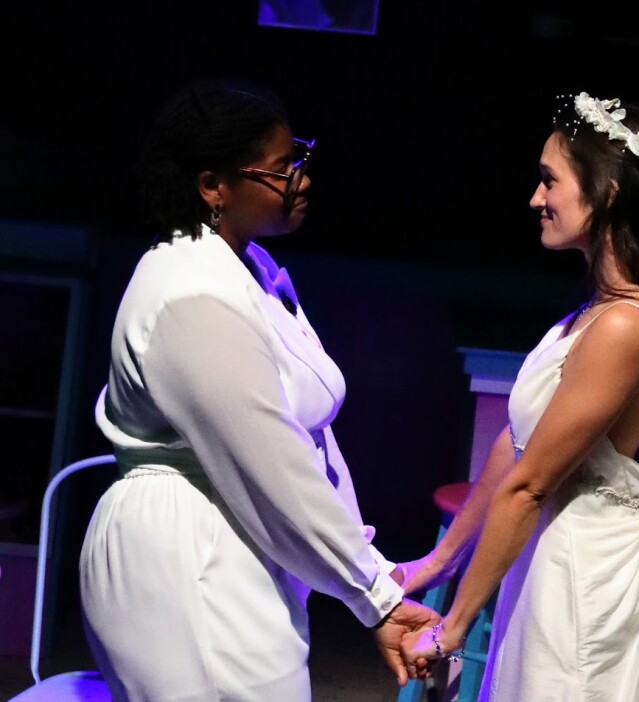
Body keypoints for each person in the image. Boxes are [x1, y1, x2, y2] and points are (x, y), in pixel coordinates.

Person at [399, 92, 639, 700]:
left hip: (588, 572)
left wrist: (454, 627)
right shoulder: (587, 317)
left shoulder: (629, 327)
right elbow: (516, 446)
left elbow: (531, 485)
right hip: (550, 557)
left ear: (604, 194)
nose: (535, 199)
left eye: (550, 181)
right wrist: (437, 561)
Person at [79, 78, 436, 701]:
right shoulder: (190, 291)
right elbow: (273, 464)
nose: (301, 178)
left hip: (236, 539)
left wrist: (370, 574)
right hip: (190, 554)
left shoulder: (252, 271)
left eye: (299, 159)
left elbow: (309, 445)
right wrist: (371, 593)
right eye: (280, 169)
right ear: (213, 186)